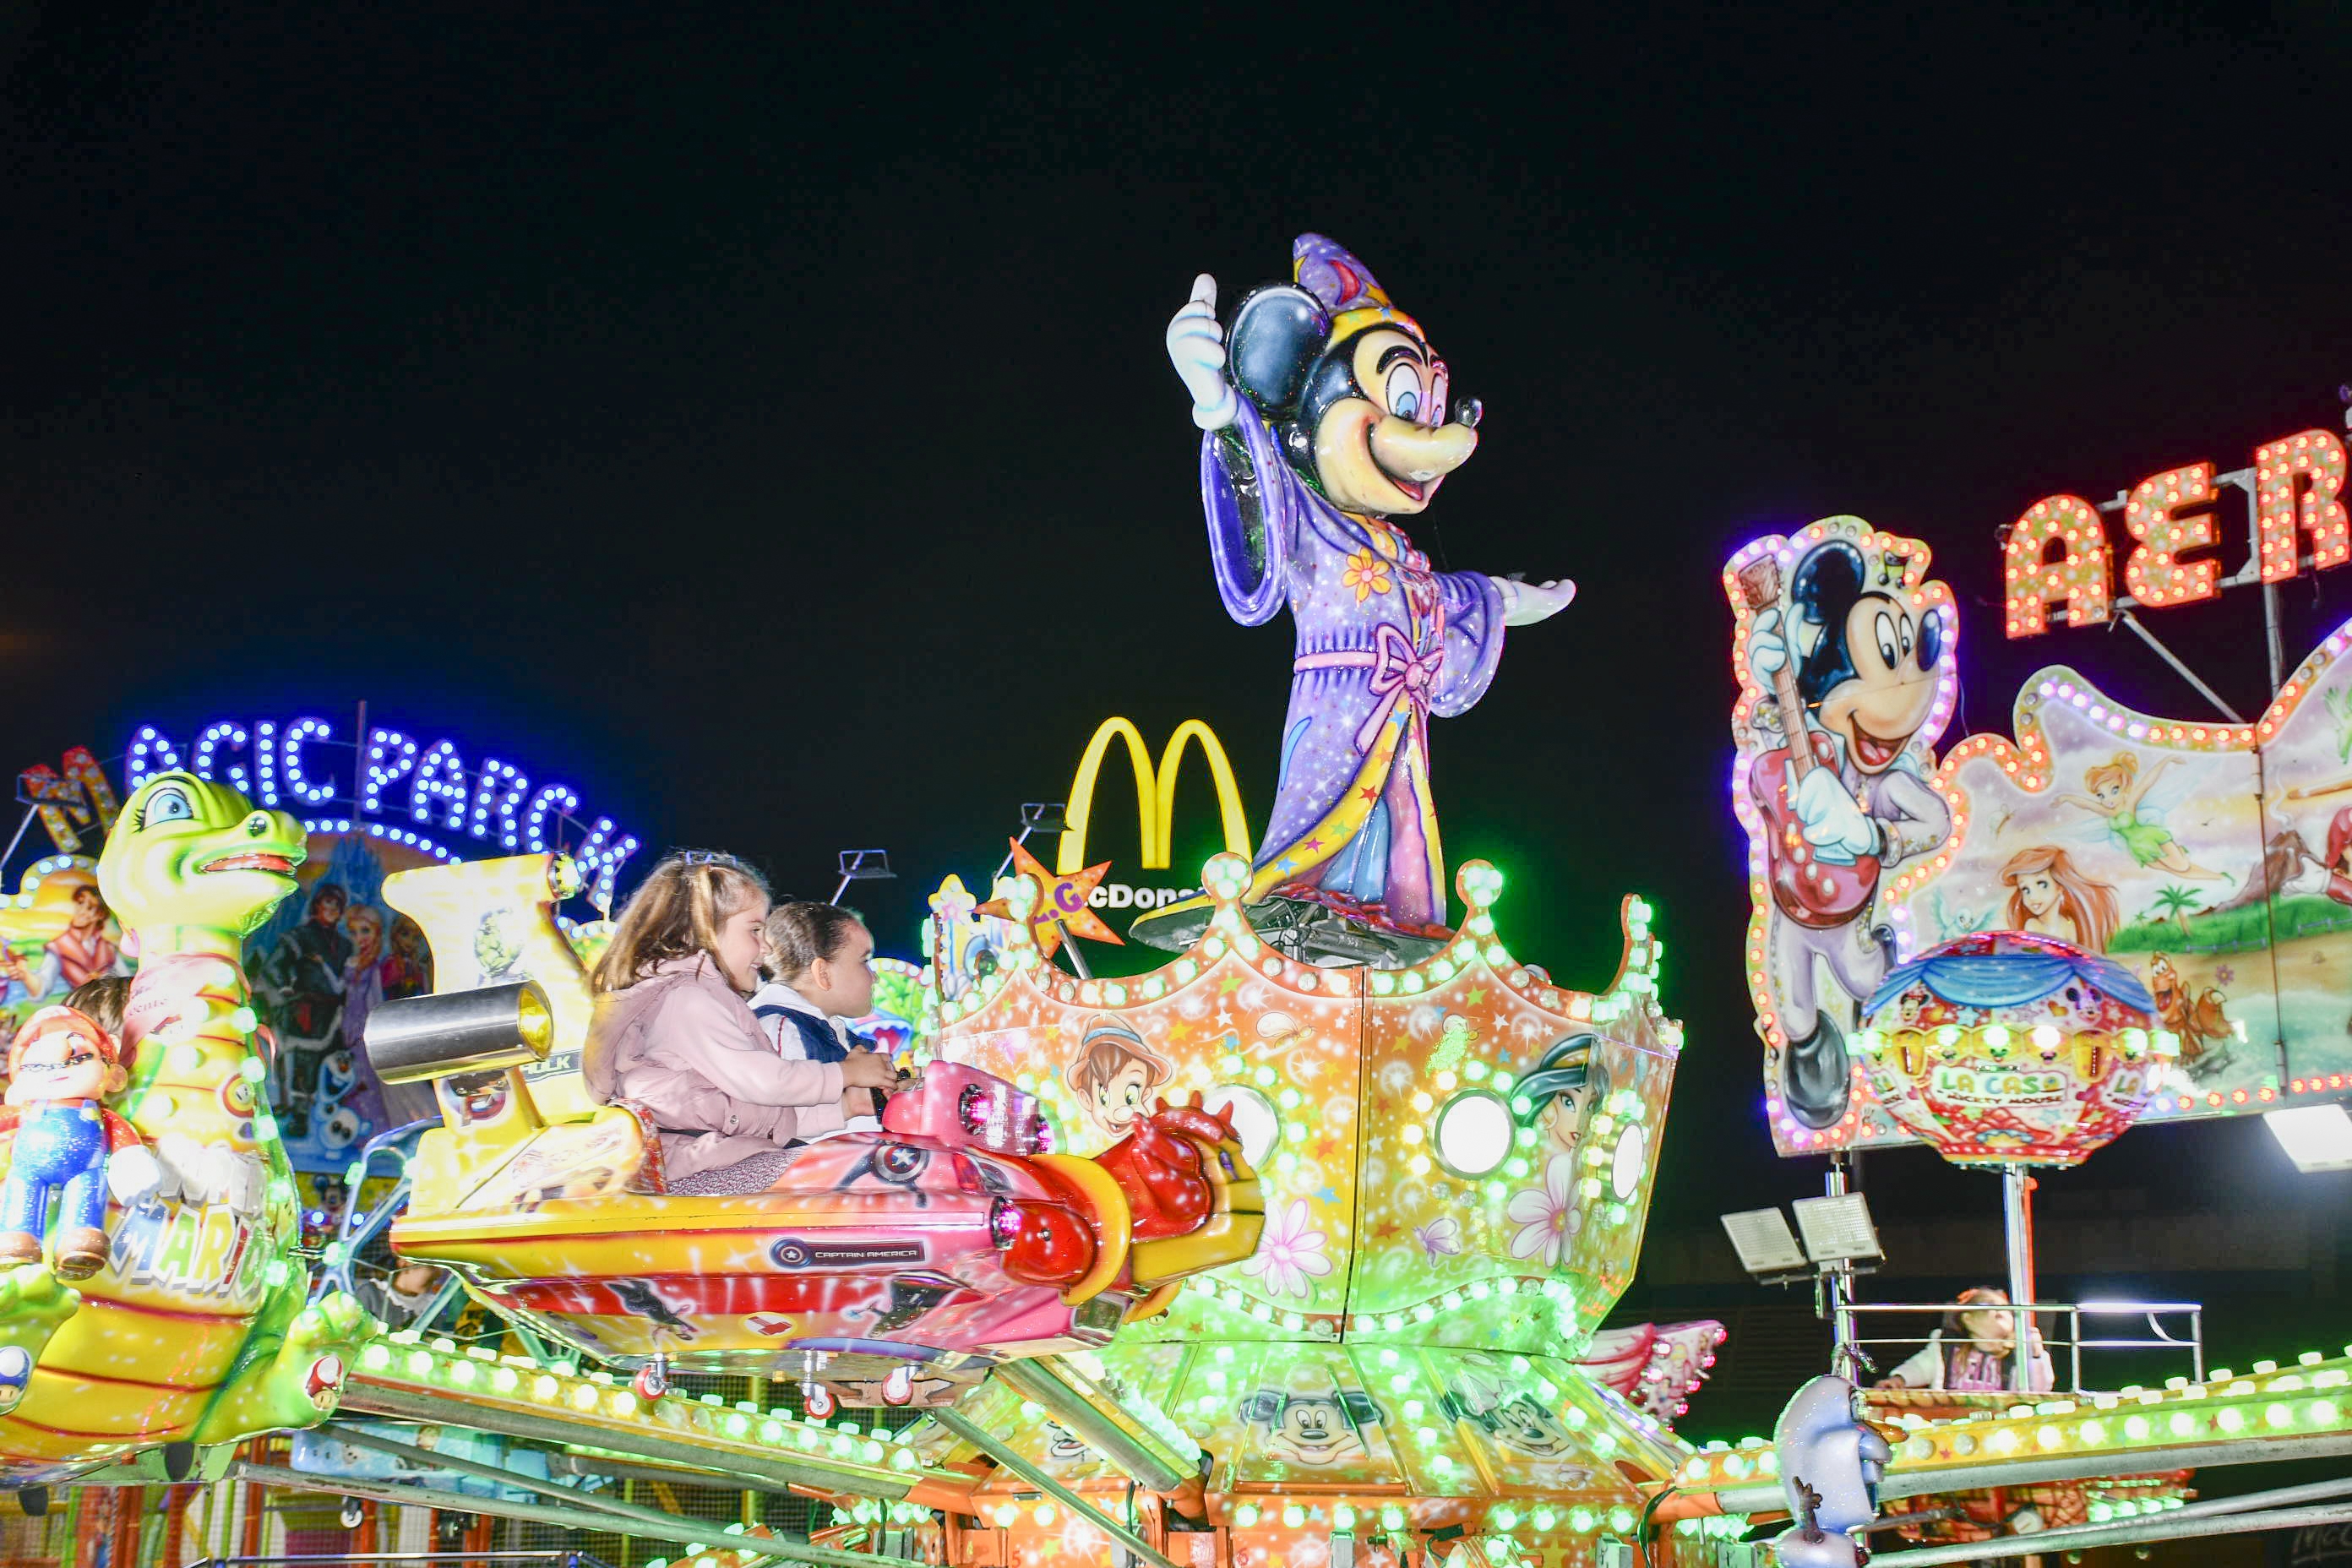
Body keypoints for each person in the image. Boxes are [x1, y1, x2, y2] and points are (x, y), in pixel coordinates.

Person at [582, 853, 896, 1196]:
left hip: (718, 1163)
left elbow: (759, 1118)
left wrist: (848, 1107)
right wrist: (844, 1073)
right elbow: (764, 1082)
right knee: (862, 1171)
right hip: (698, 1174)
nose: (765, 947)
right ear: (704, 929)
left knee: (865, 1167)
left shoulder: (707, 999)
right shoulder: (686, 1000)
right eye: (755, 930)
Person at [749, 903, 893, 1132]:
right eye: (864, 962)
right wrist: (850, 1105)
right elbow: (776, 1126)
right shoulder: (779, 1028)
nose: (874, 977)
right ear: (823, 973)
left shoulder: (834, 1032)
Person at [2055, 752, 2226, 882]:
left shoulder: (2129, 806)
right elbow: (2085, 803)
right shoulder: (2108, 812)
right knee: (2176, 871)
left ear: (2124, 788)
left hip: (2151, 838)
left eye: (2113, 791)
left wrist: (2166, 761)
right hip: (2139, 849)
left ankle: (2199, 864)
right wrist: (2066, 798)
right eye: (2101, 795)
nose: (2107, 799)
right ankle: (2218, 877)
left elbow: (2146, 783)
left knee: (2181, 866)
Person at [1876, 1287, 2054, 1393]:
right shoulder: (1948, 1347)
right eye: (1988, 1306)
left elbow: (2038, 1389)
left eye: (2005, 1308)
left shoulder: (2018, 1351)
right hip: (1951, 1416)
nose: (2000, 1310)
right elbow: (1921, 1367)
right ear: (1968, 1319)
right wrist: (1899, 1379)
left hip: (1999, 1419)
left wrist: (2035, 1356)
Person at [6, 884, 129, 1001]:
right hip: (79, 1010)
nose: (81, 911)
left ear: (100, 915)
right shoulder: (59, 945)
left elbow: (128, 981)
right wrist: (25, 974)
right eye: (80, 903)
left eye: (89, 908)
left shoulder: (107, 947)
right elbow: (41, 988)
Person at [1997, 845, 2121, 952]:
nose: (2032, 896)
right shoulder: (2032, 925)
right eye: (2025, 889)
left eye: (2042, 884)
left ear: (2060, 886)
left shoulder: (2069, 924)